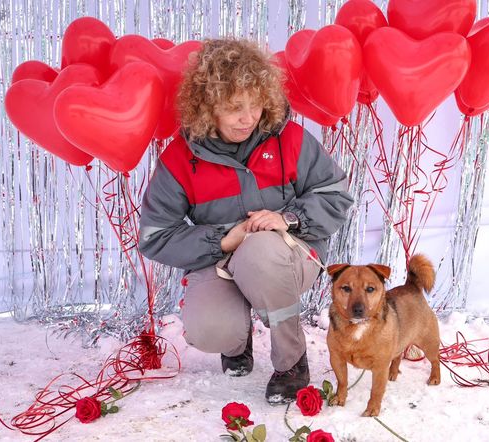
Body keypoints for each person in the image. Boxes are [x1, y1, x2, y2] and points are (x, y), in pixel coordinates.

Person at [138, 38, 353, 404]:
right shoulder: (178, 159)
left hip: (289, 256)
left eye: (255, 104)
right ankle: (238, 341)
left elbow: (336, 195)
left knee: (259, 251)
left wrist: (288, 218)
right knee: (209, 330)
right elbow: (156, 236)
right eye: (235, 107)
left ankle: (291, 363)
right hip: (219, 260)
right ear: (207, 107)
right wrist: (224, 239)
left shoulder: (291, 139)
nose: (248, 117)